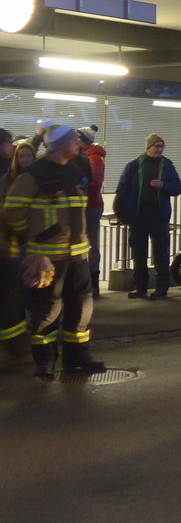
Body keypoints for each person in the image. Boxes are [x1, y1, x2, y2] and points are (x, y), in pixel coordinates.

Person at [3, 123, 106, 377]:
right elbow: (12, 212)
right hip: (47, 258)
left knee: (81, 308)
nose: (78, 144)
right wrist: (32, 234)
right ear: (62, 144)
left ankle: (77, 357)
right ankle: (44, 361)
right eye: (74, 140)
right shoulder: (33, 175)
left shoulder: (72, 170)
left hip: (78, 254)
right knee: (48, 310)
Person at [114, 133, 181, 299]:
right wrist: (122, 212)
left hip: (159, 216)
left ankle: (161, 289)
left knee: (161, 252)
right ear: (148, 147)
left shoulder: (167, 166)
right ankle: (140, 288)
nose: (159, 149)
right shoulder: (134, 166)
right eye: (156, 146)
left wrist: (163, 185)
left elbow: (177, 189)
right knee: (139, 253)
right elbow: (121, 189)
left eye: (161, 146)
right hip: (138, 216)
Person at [0, 127, 28, 359]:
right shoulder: (5, 174)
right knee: (8, 294)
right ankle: (14, 345)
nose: (12, 147)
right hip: (5, 245)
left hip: (7, 243)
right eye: (9, 143)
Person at [76, 126, 106, 299]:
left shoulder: (93, 158)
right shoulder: (86, 156)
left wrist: (80, 182)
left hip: (91, 206)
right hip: (87, 205)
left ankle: (93, 283)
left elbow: (94, 183)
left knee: (91, 244)